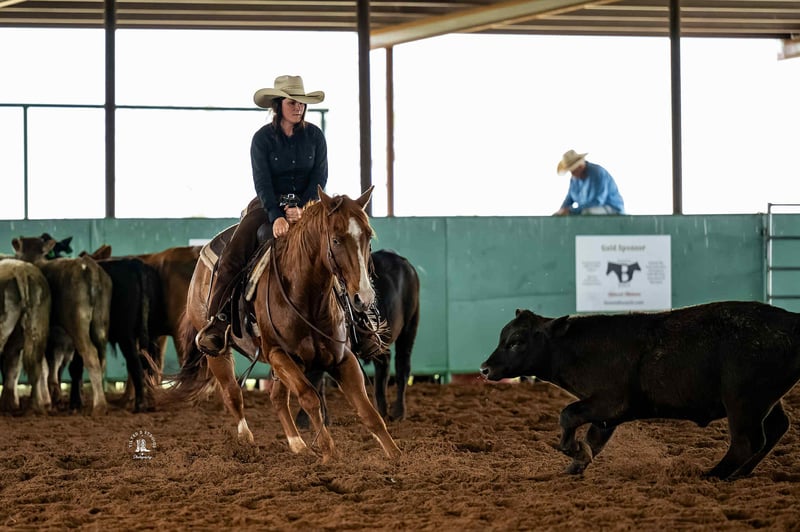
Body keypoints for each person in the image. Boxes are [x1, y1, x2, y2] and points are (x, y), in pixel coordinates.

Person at [196, 74, 328, 356]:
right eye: (292, 102)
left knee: (340, 243)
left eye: (301, 103)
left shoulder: (315, 136)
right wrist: (276, 214)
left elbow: (320, 176)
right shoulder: (262, 139)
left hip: (307, 208)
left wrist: (303, 207)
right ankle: (218, 321)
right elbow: (263, 181)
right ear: (278, 105)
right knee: (233, 254)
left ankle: (357, 319)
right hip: (267, 206)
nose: (298, 107)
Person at [553, 149, 625, 216]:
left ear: (580, 166)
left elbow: (598, 201)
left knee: (587, 212)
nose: (572, 173)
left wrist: (572, 211)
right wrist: (561, 211)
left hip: (612, 208)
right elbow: (569, 198)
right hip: (587, 210)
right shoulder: (574, 179)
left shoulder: (597, 173)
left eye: (573, 170)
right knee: (581, 213)